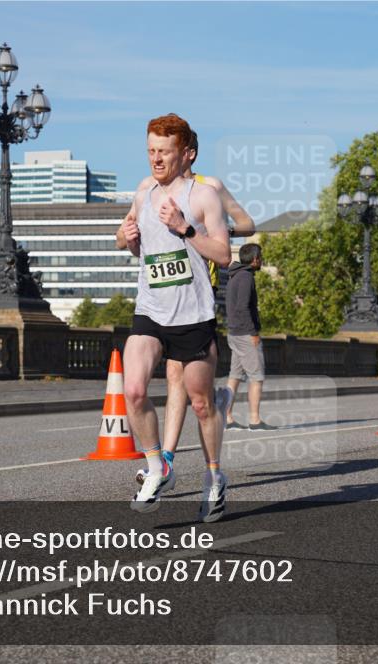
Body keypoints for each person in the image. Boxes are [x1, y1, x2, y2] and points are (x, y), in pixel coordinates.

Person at [119, 131, 255, 483]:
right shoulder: (147, 188)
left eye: (165, 150)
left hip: (199, 286)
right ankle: (163, 458)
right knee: (167, 377)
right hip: (157, 300)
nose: (157, 157)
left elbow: (246, 226)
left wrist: (204, 229)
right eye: (152, 150)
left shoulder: (210, 187)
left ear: (188, 153)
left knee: (185, 381)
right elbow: (127, 235)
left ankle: (176, 452)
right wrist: (129, 237)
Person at [224, 243, 275, 430]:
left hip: (234, 332)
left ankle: (226, 417)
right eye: (260, 257)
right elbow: (243, 307)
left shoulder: (236, 275)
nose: (261, 260)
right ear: (254, 259)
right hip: (245, 334)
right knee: (257, 376)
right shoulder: (246, 277)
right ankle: (254, 420)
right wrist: (253, 333)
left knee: (235, 375)